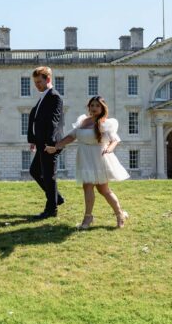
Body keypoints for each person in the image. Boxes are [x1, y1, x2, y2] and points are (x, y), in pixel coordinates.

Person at [47, 96, 129, 230]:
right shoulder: (82, 121)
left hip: (99, 157)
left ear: (102, 108)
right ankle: (88, 217)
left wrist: (109, 149)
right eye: (92, 105)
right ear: (89, 107)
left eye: (97, 105)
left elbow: (115, 140)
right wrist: (56, 147)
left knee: (104, 190)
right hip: (84, 157)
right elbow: (71, 137)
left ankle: (120, 214)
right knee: (87, 187)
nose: (94, 108)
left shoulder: (106, 123)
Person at [26, 66, 65, 219]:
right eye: (35, 82)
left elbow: (53, 121)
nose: (37, 85)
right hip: (42, 142)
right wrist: (34, 140)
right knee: (35, 171)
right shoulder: (44, 96)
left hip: (50, 144)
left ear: (48, 79)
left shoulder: (55, 96)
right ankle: (57, 198)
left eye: (39, 82)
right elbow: (36, 119)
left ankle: (51, 209)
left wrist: (51, 144)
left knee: (49, 176)